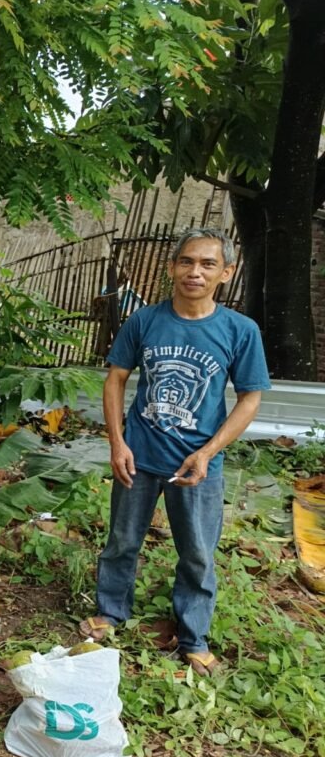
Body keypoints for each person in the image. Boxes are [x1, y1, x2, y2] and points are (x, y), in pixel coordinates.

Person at [79, 228, 270, 675]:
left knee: (198, 553)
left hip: (197, 464)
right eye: (187, 262)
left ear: (226, 272)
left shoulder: (240, 331)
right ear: (172, 268)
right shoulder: (144, 321)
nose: (195, 272)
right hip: (139, 457)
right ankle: (110, 612)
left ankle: (193, 636)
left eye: (207, 264)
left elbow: (250, 398)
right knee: (123, 541)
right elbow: (115, 379)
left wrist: (208, 451)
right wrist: (117, 441)